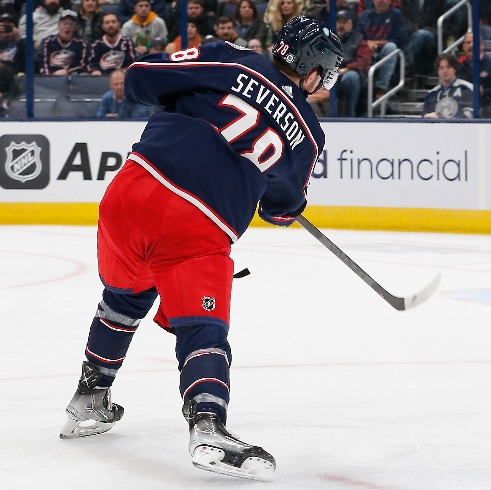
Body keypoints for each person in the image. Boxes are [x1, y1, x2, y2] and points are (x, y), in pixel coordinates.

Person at [60, 15, 343, 482]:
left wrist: (191, 96)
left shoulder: (229, 57)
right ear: (312, 71)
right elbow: (281, 207)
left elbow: (138, 79)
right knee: (202, 329)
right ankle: (208, 425)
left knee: (124, 299)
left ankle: (89, 397)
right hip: (195, 225)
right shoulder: (308, 132)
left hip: (129, 195)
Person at [306, 8, 368, 116]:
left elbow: (363, 62)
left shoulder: (359, 40)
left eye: (344, 22)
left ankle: (350, 114)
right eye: (339, 22)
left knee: (351, 77)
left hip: (349, 75)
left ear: (351, 24)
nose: (341, 25)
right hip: (329, 75)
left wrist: (345, 69)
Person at [357, 0, 407, 97]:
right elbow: (356, 36)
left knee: (391, 47)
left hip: (386, 52)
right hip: (367, 51)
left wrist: (375, 43)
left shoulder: (396, 15)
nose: (382, 1)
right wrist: (366, 44)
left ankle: (381, 88)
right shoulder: (364, 16)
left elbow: (399, 40)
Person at [457, 31, 491, 118]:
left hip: (487, 107)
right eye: (468, 42)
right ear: (463, 47)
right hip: (464, 107)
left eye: (475, 42)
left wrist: (484, 91)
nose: (471, 45)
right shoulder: (459, 65)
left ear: (481, 45)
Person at [423, 53, 474, 119]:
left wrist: (450, 120)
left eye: (448, 67)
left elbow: (471, 114)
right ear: (438, 71)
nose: (445, 71)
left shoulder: (467, 88)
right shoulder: (432, 94)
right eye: (441, 68)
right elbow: (425, 117)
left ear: (455, 69)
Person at [38, 10, 88, 75]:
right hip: (49, 79)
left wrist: (68, 71)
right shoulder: (48, 42)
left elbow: (84, 66)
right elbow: (41, 62)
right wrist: (51, 75)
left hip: (73, 79)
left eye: (71, 24)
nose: (68, 27)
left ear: (75, 27)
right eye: (65, 23)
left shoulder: (81, 44)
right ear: (58, 25)